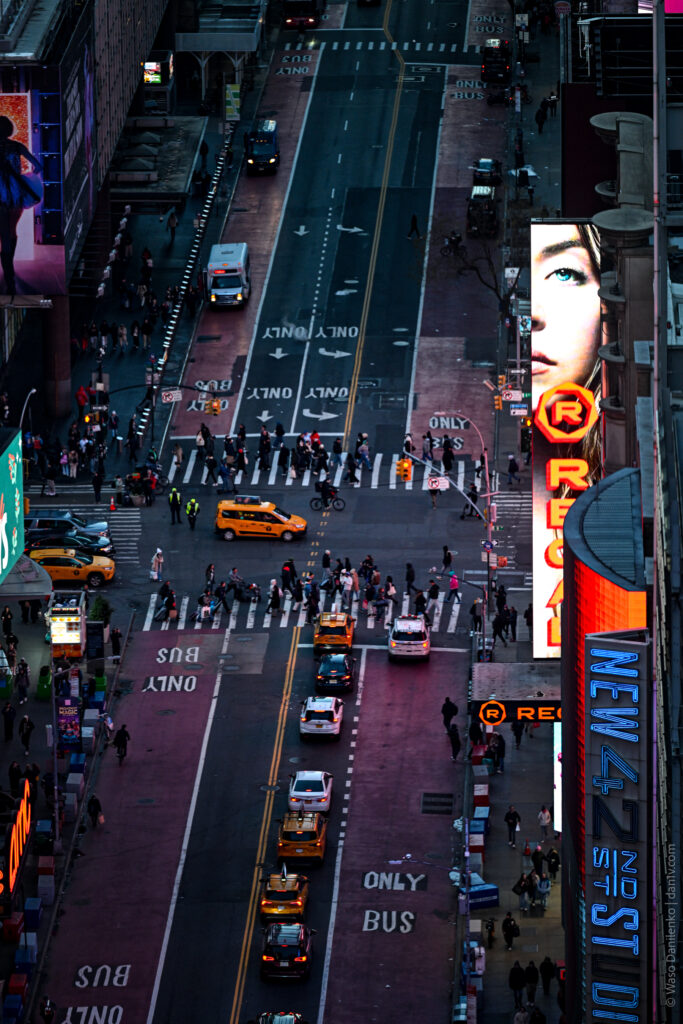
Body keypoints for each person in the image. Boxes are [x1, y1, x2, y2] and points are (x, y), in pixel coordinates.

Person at [0, 115, 44, 295]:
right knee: (11, 232)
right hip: (15, 195)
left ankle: (8, 274)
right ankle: (10, 275)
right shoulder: (17, 146)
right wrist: (26, 176)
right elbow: (38, 166)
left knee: (4, 235)